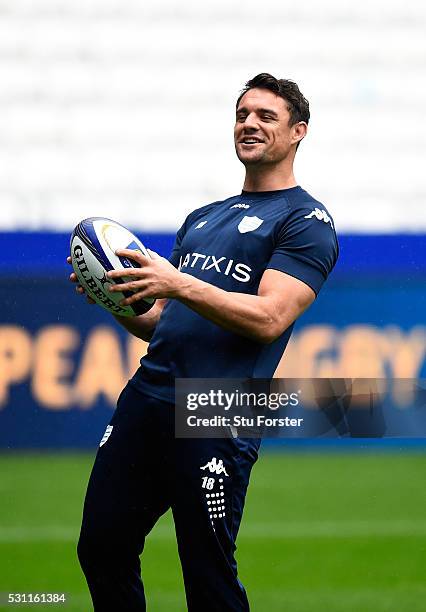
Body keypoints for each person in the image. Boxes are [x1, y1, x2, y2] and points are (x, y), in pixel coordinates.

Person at [70, 73, 339, 611]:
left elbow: (269, 318)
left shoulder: (306, 221)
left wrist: (177, 281)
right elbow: (164, 321)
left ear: (298, 133)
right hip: (148, 398)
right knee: (101, 547)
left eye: (266, 116)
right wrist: (115, 300)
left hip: (218, 411)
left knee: (206, 572)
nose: (249, 123)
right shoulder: (203, 217)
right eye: (242, 114)